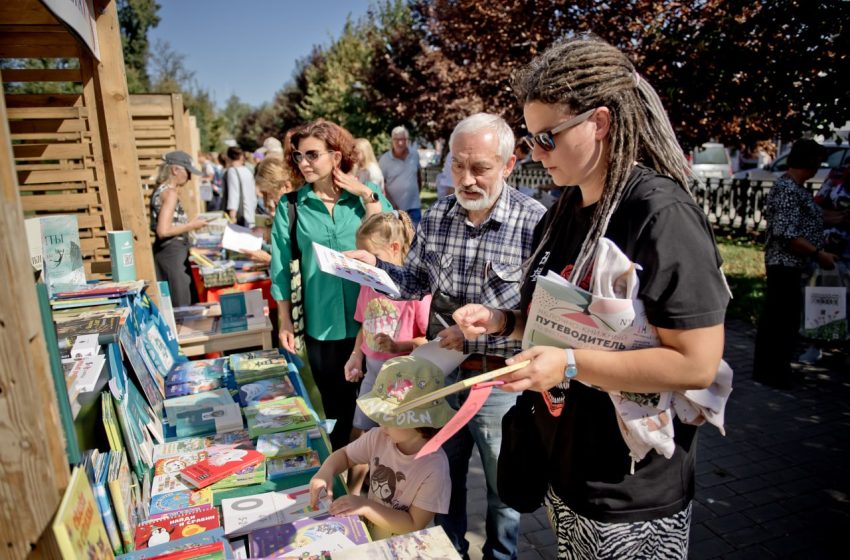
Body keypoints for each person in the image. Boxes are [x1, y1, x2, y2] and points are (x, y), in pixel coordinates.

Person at [450, 38, 730, 559]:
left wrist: (570, 365)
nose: (536, 153)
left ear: (599, 122)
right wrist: (504, 321)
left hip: (629, 488)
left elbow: (697, 363)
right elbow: (557, 324)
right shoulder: (564, 210)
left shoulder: (659, 214)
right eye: (531, 138)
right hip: (564, 467)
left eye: (546, 138)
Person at [347, 113, 546, 560]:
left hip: (500, 383)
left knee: (503, 489)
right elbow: (414, 281)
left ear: (508, 165)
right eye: (457, 165)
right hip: (440, 380)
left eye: (480, 168)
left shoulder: (536, 223)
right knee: (442, 481)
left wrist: (497, 320)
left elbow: (546, 314)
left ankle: (501, 557)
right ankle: (449, 552)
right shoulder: (437, 217)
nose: (467, 179)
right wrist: (376, 268)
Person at [270, 118, 392, 452]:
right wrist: (284, 320)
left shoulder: (367, 196)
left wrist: (366, 195)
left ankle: (379, 475)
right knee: (337, 412)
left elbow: (391, 242)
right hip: (321, 325)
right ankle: (344, 475)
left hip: (373, 323)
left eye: (312, 154)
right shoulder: (291, 206)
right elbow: (279, 267)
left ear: (336, 156)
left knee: (378, 411)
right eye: (298, 156)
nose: (304, 163)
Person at [309, 356, 452, 540]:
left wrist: (366, 507)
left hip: (399, 546)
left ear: (419, 424)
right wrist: (325, 472)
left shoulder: (434, 467)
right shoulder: (379, 437)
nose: (380, 423)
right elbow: (345, 455)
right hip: (369, 536)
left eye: (389, 419)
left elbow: (413, 524)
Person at [753, 140, 835, 387]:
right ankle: (773, 372)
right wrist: (818, 254)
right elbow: (786, 233)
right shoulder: (787, 189)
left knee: (783, 319)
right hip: (784, 264)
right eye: (817, 163)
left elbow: (811, 216)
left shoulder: (795, 188)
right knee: (780, 320)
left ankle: (776, 369)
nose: (818, 168)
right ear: (808, 163)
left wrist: (838, 217)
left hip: (791, 264)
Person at [149, 151, 210, 307]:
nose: (189, 177)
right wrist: (191, 226)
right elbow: (163, 231)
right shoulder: (170, 193)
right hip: (172, 255)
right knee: (182, 307)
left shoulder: (161, 190)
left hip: (168, 253)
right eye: (188, 172)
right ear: (175, 170)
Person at [379, 126, 422, 224]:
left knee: (416, 233)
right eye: (397, 139)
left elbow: (419, 176)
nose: (400, 143)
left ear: (407, 140)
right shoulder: (384, 159)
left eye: (403, 139)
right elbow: (382, 184)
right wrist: (391, 203)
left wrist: (416, 194)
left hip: (414, 206)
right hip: (393, 209)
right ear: (392, 140)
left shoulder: (414, 155)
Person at [223, 146, 258, 227]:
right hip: (250, 212)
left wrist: (232, 215)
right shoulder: (247, 170)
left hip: (239, 214)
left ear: (228, 157)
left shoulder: (232, 171)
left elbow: (233, 193)